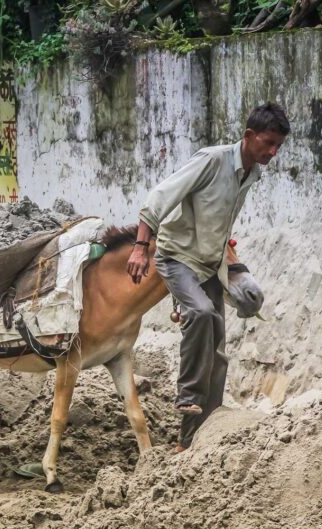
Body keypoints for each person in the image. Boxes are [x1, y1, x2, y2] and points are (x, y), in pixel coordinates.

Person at [126, 102, 290, 451]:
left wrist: (233, 263)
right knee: (200, 313)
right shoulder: (212, 160)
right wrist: (141, 247)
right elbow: (158, 197)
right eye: (268, 143)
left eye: (278, 145)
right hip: (177, 257)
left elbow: (221, 222)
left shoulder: (252, 173)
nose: (273, 151)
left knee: (217, 350)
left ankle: (196, 438)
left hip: (211, 263)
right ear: (248, 136)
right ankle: (188, 393)